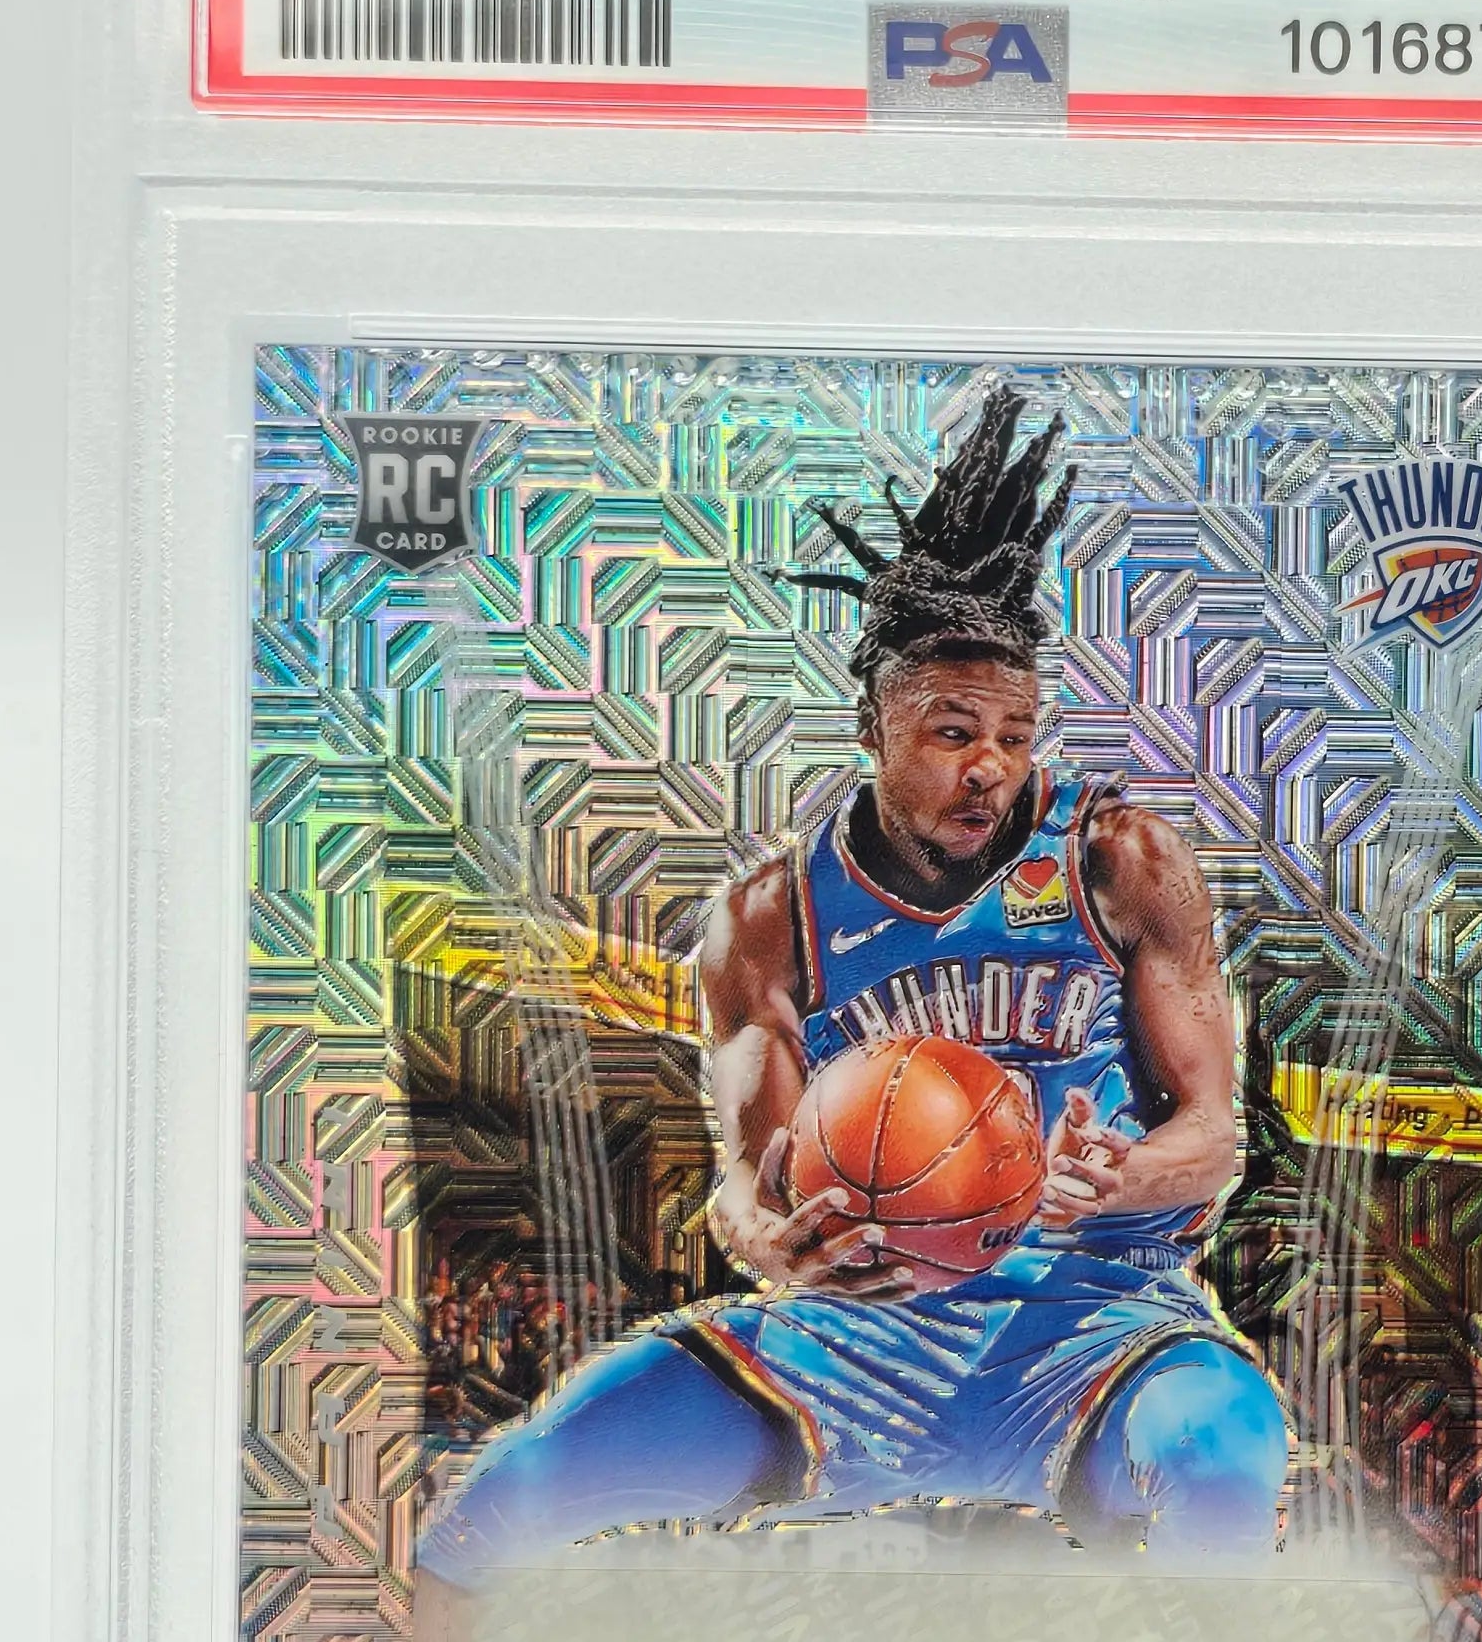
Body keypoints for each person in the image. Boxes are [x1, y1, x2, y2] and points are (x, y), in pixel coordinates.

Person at [420, 386, 1289, 1576]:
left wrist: (1121, 1176)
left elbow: (1214, 1132)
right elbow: (750, 1186)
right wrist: (776, 1247)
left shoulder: (1119, 859)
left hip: (1095, 1319)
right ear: (872, 727)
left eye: (1015, 734)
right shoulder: (767, 921)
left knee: (1226, 1456)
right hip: (856, 1333)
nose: (990, 768)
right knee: (504, 1492)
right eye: (952, 732)